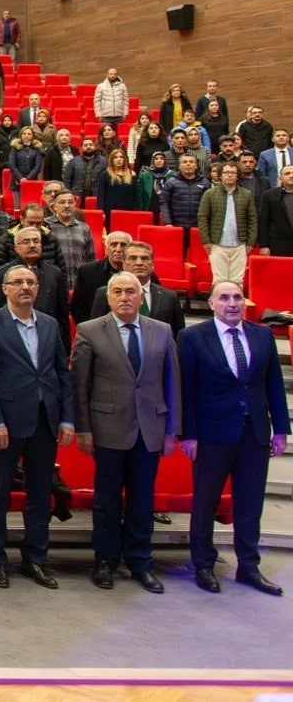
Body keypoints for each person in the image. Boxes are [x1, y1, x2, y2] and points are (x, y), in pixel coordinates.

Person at [177, 281, 287, 595]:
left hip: (254, 435)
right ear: (211, 303)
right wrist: (189, 434)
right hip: (212, 435)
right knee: (205, 503)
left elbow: (274, 385)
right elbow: (186, 390)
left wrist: (280, 428)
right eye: (224, 297)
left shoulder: (262, 334)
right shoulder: (192, 338)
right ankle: (203, 565)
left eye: (237, 297)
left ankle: (249, 567)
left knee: (250, 504)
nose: (232, 303)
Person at [71, 273, 178, 594]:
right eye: (117, 291)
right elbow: (80, 387)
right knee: (106, 500)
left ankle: (141, 562)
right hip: (107, 430)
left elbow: (173, 383)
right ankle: (105, 560)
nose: (125, 297)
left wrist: (173, 429)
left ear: (140, 296)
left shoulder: (162, 331)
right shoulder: (89, 331)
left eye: (131, 291)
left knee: (142, 500)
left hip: (150, 430)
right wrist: (83, 428)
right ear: (108, 297)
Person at [0, 264, 75, 589]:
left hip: (45, 421)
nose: (25, 287)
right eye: (18, 282)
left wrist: (67, 417)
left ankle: (35, 559)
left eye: (31, 282)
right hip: (6, 423)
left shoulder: (48, 324)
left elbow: (62, 371)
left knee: (40, 495)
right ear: (5, 288)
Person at [197, 162, 256, 290]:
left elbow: (252, 220)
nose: (229, 175)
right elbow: (202, 218)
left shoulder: (247, 194)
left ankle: (235, 309)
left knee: (237, 281)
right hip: (217, 244)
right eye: (226, 172)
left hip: (240, 244)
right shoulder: (209, 194)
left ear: (237, 176)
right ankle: (218, 309)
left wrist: (250, 242)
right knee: (219, 280)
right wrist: (206, 240)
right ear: (220, 175)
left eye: (233, 173)